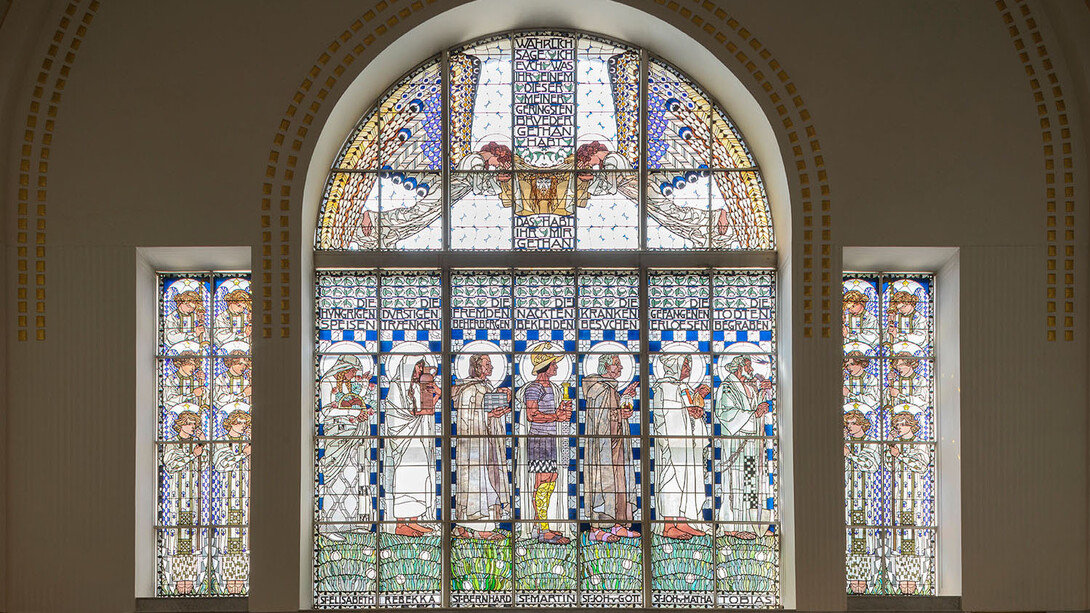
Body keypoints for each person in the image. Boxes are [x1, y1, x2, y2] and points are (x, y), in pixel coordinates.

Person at [451, 354, 511, 540]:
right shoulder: (468, 390)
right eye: (487, 364)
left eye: (491, 364)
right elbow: (469, 419)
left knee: (489, 482)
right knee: (477, 485)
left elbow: (486, 413)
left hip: (487, 445)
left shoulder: (486, 387)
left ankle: (473, 528)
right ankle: (477, 528)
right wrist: (489, 415)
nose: (491, 367)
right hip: (473, 449)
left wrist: (495, 415)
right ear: (477, 367)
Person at [651, 352, 711, 540]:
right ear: (674, 366)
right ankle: (669, 525)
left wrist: (697, 412)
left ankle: (684, 522)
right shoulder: (664, 388)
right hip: (672, 445)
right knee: (671, 481)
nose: (688, 369)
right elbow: (663, 417)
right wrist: (686, 412)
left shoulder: (685, 389)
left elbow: (692, 413)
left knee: (689, 482)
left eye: (689, 365)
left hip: (689, 447)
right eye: (685, 365)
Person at [581, 353, 639, 542]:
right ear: (606, 367)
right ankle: (597, 529)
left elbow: (614, 415)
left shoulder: (611, 389)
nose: (620, 368)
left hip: (617, 444)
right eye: (617, 364)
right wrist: (617, 415)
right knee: (602, 485)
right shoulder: (597, 388)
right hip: (602, 448)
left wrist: (625, 403)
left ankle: (617, 524)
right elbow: (600, 420)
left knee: (620, 484)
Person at [715, 354, 774, 537]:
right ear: (739, 368)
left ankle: (750, 526)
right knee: (734, 485)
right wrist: (752, 415)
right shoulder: (727, 388)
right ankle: (732, 528)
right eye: (748, 366)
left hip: (751, 445)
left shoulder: (749, 386)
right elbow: (724, 414)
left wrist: (766, 391)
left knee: (750, 484)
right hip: (735, 445)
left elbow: (756, 408)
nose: (751, 370)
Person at [521, 343, 573, 545]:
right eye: (554, 364)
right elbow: (532, 415)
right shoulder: (533, 388)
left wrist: (560, 411)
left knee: (550, 479)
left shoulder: (550, 387)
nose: (557, 368)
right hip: (539, 440)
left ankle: (541, 525)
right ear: (546, 366)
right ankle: (542, 530)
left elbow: (549, 413)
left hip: (550, 439)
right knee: (542, 481)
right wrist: (556, 416)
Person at [383, 356, 440, 537]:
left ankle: (414, 520)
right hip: (403, 441)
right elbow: (397, 415)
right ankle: (401, 524)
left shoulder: (416, 387)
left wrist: (436, 393)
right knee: (405, 479)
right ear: (408, 368)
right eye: (417, 368)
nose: (420, 371)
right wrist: (419, 412)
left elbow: (427, 408)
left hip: (418, 440)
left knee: (420, 477)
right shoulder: (395, 386)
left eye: (422, 368)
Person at [318, 355, 377, 524]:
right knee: (336, 478)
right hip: (337, 436)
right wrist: (354, 413)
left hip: (355, 437)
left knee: (354, 477)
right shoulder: (327, 382)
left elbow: (356, 401)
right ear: (342, 369)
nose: (354, 374)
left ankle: (355, 521)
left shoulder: (350, 384)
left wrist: (365, 389)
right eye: (352, 371)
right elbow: (326, 412)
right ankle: (332, 525)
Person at [886, 410, 930, 595]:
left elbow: (921, 464)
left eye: (903, 424)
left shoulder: (919, 445)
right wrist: (889, 446)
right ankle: (902, 581)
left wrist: (900, 455)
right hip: (899, 498)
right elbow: (889, 465)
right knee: (901, 542)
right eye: (897, 425)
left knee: (914, 541)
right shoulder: (897, 445)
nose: (899, 428)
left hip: (916, 500)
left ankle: (914, 583)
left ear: (911, 425)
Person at [163, 410, 205, 594]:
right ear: (180, 425)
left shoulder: (195, 444)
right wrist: (192, 455)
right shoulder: (172, 444)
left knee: (191, 539)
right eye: (189, 424)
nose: (192, 427)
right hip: (176, 497)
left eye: (194, 424)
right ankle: (177, 582)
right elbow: (171, 464)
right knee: (178, 538)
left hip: (193, 496)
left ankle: (190, 581)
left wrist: (203, 444)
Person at [213, 408, 251, 595]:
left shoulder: (248, 441)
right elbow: (221, 464)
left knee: (244, 540)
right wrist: (244, 454)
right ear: (231, 423)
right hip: (227, 498)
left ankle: (241, 580)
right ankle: (228, 581)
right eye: (240, 422)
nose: (243, 426)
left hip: (246, 498)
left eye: (245, 423)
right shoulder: (222, 442)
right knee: (228, 539)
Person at [843, 409, 881, 594]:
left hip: (866, 497)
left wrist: (849, 454)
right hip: (847, 498)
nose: (849, 427)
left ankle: (864, 581)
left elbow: (871, 464)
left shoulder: (870, 443)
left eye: (852, 423)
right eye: (847, 424)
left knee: (865, 539)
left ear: (862, 424)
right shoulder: (845, 442)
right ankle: (851, 579)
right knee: (849, 539)